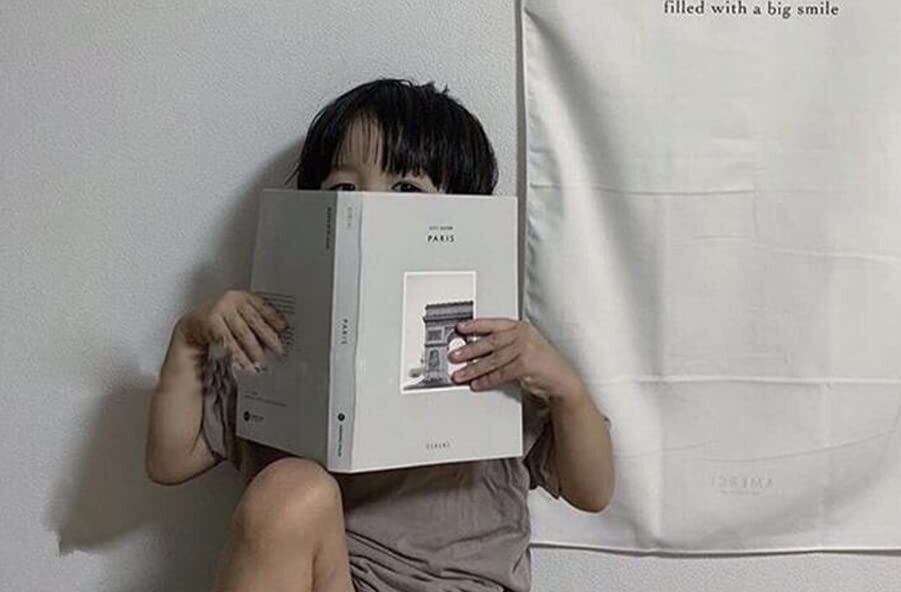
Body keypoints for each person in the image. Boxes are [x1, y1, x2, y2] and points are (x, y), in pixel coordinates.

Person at [146, 78, 614, 592]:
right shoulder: (271, 339)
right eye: (344, 189)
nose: (369, 206)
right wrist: (189, 338)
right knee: (291, 490)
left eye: (406, 189)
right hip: (331, 579)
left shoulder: (493, 347)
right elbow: (170, 460)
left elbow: (592, 492)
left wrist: (567, 390)